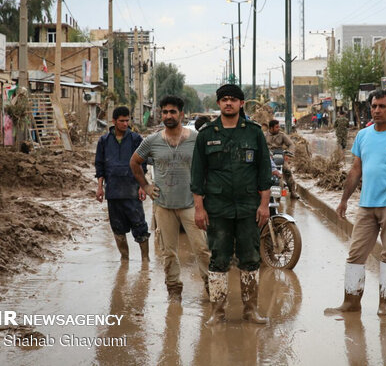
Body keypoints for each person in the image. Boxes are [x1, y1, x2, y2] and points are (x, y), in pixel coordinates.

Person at [328, 89, 386, 316]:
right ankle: (351, 302)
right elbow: (356, 169)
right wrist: (344, 200)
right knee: (356, 254)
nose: (376, 110)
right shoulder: (363, 136)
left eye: (382, 106)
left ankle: (385, 304)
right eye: (374, 106)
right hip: (366, 205)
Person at [191, 84, 272, 326]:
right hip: (218, 208)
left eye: (233, 100)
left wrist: (265, 205)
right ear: (218, 104)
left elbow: (264, 172)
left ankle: (250, 310)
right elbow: (197, 175)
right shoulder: (207, 134)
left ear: (241, 104)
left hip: (248, 207)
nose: (229, 103)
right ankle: (217, 312)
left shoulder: (254, 133)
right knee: (218, 259)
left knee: (250, 258)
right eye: (224, 99)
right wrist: (199, 208)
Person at [130, 96, 211, 302]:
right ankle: (174, 293)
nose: (168, 116)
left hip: (191, 205)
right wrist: (146, 186)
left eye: (172, 112)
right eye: (164, 112)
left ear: (181, 114)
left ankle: (213, 290)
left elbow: (209, 167)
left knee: (202, 250)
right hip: (163, 206)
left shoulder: (195, 139)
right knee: (168, 253)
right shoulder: (152, 141)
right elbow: (134, 162)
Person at [95, 106, 150, 261]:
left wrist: (142, 186)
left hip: (132, 191)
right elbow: (100, 166)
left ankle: (145, 261)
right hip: (113, 192)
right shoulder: (104, 141)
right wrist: (100, 188)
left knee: (140, 226)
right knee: (117, 228)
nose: (125, 124)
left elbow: (143, 165)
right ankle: (124, 260)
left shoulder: (135, 139)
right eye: (122, 121)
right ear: (114, 121)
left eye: (127, 120)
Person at [266, 119, 299, 199]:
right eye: (276, 127)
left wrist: (288, 153)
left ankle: (293, 192)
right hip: (268, 158)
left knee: (287, 170)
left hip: (279, 156)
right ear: (271, 128)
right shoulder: (264, 135)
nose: (279, 128)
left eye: (279, 127)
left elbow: (291, 144)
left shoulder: (282, 135)